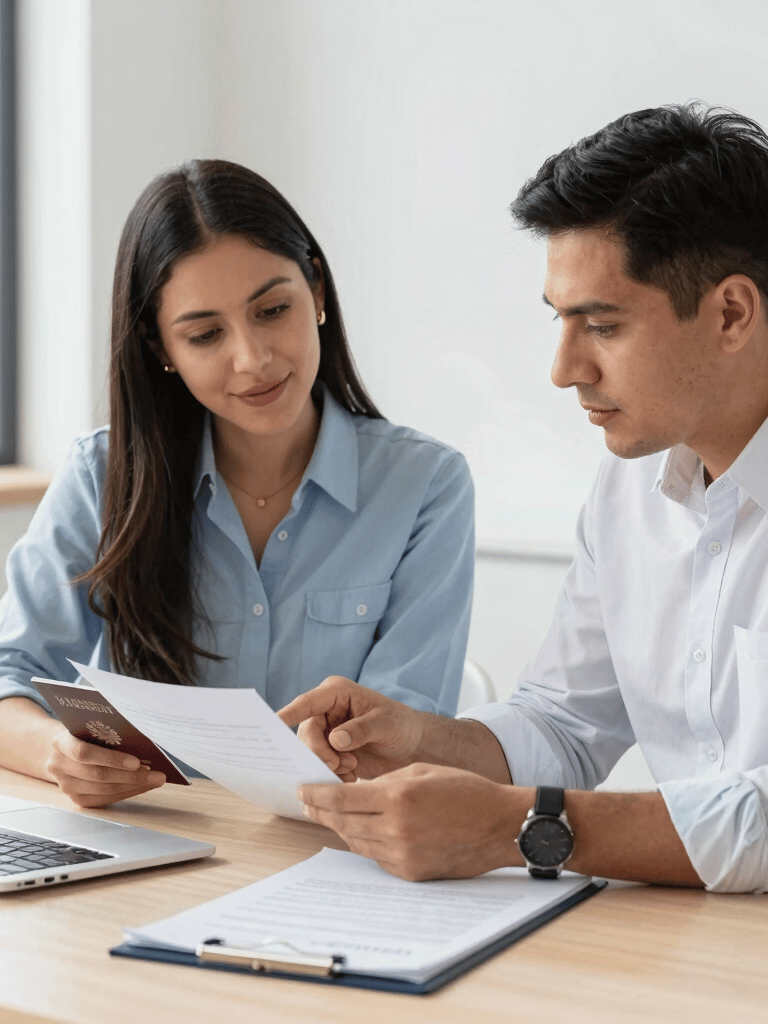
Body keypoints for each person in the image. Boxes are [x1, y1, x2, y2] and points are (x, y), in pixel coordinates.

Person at [280, 103, 768, 894]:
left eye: (601, 325)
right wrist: (419, 739)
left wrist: (524, 826)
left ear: (731, 313)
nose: (564, 367)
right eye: (561, 321)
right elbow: (565, 724)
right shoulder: (631, 483)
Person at [0, 160, 474, 808]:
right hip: (147, 847)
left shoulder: (424, 485)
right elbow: (10, 676)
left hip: (333, 853)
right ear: (160, 347)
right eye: (204, 334)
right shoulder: (103, 475)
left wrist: (347, 753)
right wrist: (59, 753)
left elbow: (407, 731)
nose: (252, 359)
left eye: (273, 309)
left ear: (318, 291)